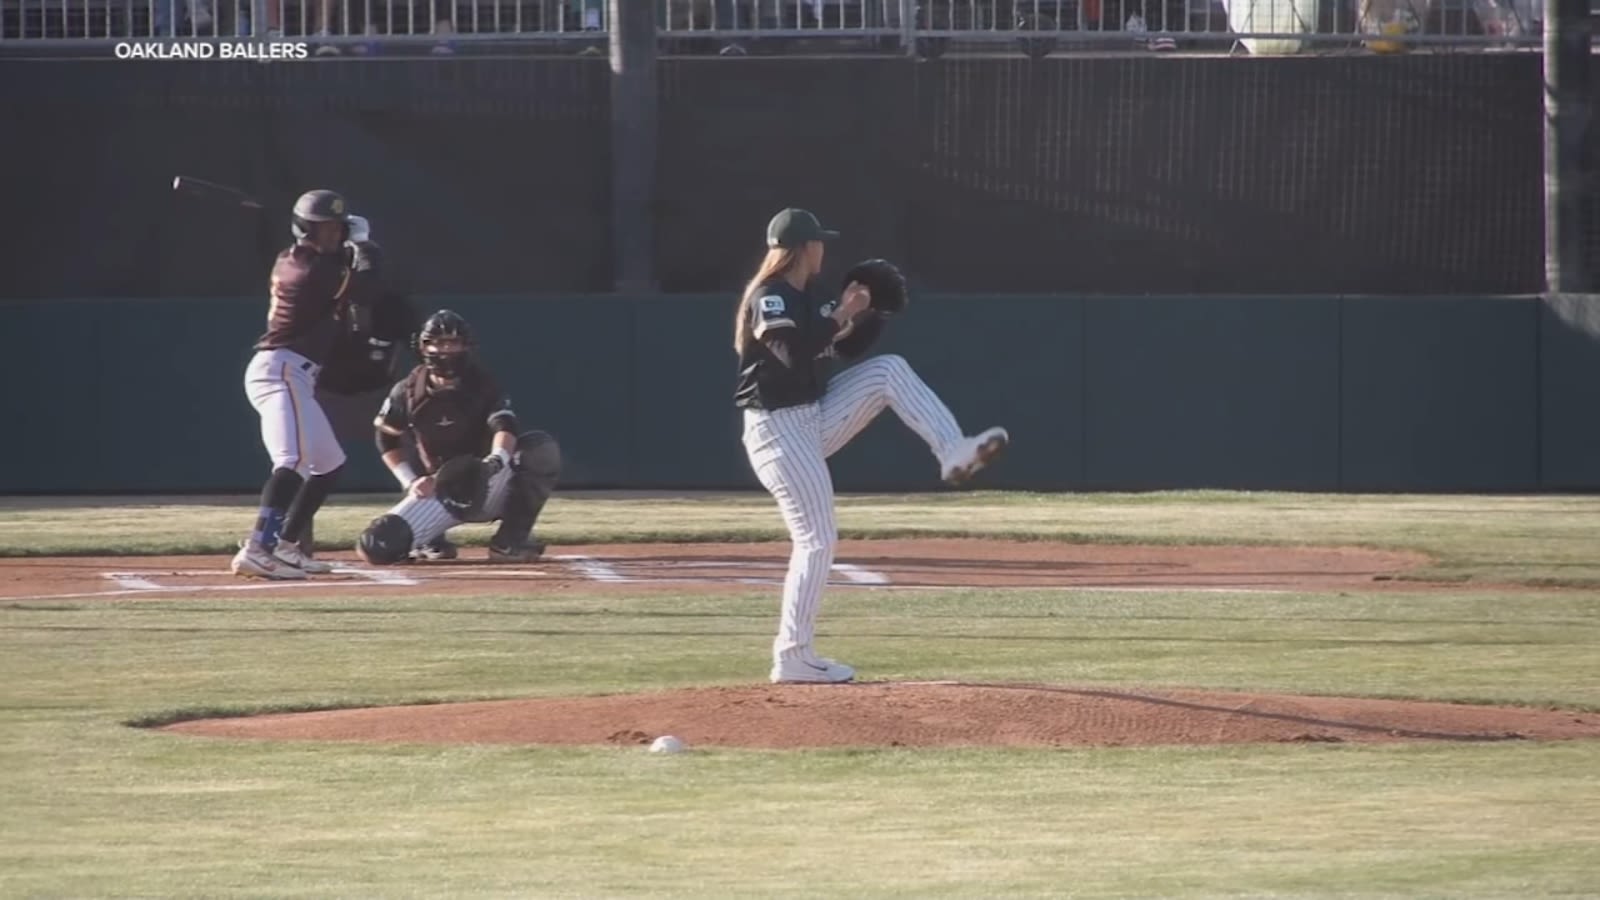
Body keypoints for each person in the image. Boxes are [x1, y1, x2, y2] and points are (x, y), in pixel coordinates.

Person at [735, 208, 1009, 685]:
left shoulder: (813, 298)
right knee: (817, 540)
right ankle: (792, 655)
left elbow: (839, 352)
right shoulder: (770, 297)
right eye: (818, 241)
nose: (824, 248)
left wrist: (869, 313)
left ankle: (953, 452)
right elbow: (790, 352)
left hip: (811, 417)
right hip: (776, 431)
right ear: (802, 248)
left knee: (889, 371)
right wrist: (841, 313)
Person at [230, 189, 367, 580]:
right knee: (290, 461)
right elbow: (365, 285)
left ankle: (287, 545)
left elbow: (345, 271)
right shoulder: (310, 272)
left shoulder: (296, 257)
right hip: (282, 371)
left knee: (329, 464)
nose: (334, 235)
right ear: (305, 228)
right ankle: (258, 547)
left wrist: (346, 244)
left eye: (336, 228)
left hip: (294, 372)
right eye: (324, 229)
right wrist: (364, 246)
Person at [357, 310, 561, 564]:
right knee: (376, 546)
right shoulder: (408, 390)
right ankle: (433, 539)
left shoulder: (482, 384)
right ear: (424, 347)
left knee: (540, 449)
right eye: (439, 342)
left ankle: (511, 541)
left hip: (488, 481)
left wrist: (496, 460)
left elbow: (504, 426)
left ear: (466, 346)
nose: (446, 350)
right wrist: (410, 481)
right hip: (441, 488)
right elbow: (386, 439)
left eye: (453, 343)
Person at [299, 214, 423, 562]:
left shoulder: (392, 302)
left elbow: (420, 349)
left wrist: (413, 394)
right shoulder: (317, 287)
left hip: (378, 391)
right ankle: (293, 541)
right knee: (297, 456)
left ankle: (426, 531)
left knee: (431, 435)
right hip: (322, 392)